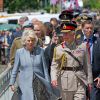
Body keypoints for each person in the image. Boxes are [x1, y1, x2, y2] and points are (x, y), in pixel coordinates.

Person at [50, 21, 93, 100]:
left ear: (73, 34)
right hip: (65, 82)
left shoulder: (82, 46)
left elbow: (87, 64)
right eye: (63, 33)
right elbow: (54, 65)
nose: (64, 36)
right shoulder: (58, 48)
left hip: (80, 79)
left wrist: (89, 81)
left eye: (67, 33)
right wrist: (53, 78)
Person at [9, 30, 51, 100]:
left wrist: (48, 83)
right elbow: (15, 69)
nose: (30, 42)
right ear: (24, 41)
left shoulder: (40, 51)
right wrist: (11, 83)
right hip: (25, 83)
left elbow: (45, 69)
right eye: (28, 40)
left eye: (32, 40)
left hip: (39, 83)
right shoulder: (19, 52)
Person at [79, 20, 100, 100]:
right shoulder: (77, 42)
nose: (89, 30)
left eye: (91, 28)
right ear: (82, 29)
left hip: (95, 79)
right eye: (87, 28)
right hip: (80, 78)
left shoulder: (98, 42)